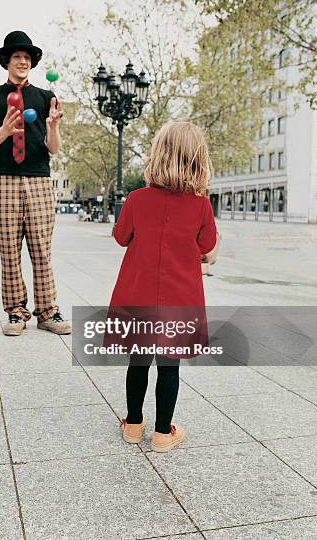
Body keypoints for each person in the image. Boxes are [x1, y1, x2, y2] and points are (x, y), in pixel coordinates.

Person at [108, 121, 220, 453]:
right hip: (179, 299)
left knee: (138, 361)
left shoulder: (137, 199)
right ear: (198, 160)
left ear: (158, 155)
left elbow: (121, 237)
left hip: (137, 295)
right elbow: (208, 248)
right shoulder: (200, 204)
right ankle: (161, 434)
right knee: (169, 367)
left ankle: (132, 424)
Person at [0, 31, 71, 337]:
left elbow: (54, 147)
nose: (23, 62)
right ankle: (16, 312)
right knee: (9, 250)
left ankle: (47, 311)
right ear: (7, 61)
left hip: (40, 179)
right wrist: (4, 129)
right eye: (17, 57)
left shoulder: (45, 98)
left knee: (41, 248)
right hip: (3, 179)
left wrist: (53, 126)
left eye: (27, 58)